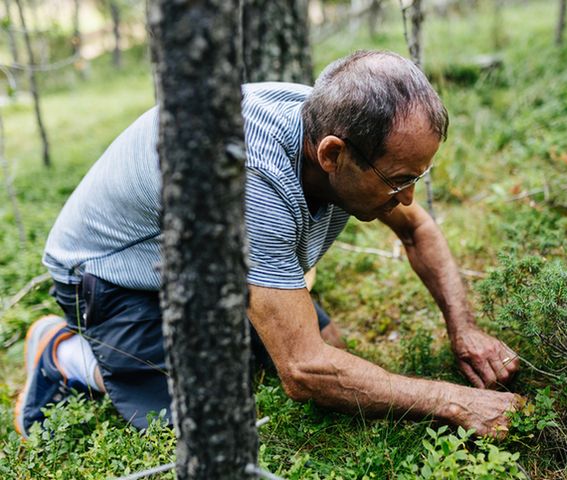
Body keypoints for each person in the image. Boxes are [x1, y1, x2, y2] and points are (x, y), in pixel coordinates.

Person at [15, 50, 520, 439]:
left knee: (334, 350)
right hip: (112, 276)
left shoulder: (339, 123)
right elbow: (304, 372)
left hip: (205, 265)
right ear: (332, 154)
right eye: (398, 180)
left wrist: (465, 330)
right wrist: (456, 403)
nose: (407, 196)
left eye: (417, 176)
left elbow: (418, 230)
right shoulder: (251, 179)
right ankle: (64, 355)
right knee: (209, 416)